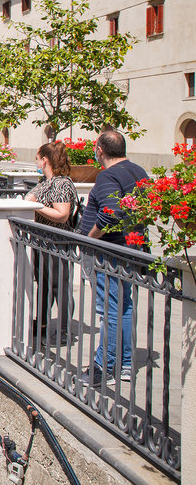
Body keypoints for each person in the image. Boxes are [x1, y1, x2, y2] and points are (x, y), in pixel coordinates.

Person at [77, 130, 148, 387]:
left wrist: (90, 238)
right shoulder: (139, 171)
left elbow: (111, 213)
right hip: (129, 250)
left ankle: (104, 367)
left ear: (99, 150)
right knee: (124, 308)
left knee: (109, 311)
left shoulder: (108, 175)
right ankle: (126, 363)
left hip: (109, 254)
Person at [24, 142, 77, 344]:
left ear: (44, 160)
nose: (36, 163)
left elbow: (62, 214)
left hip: (57, 242)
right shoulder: (46, 182)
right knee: (45, 285)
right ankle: (43, 324)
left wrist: (35, 206)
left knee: (58, 286)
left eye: (37, 159)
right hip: (43, 243)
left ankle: (63, 331)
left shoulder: (61, 183)